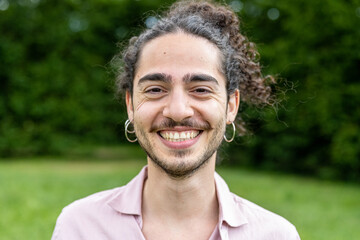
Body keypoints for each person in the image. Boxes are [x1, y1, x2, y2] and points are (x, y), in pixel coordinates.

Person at [52, 0, 300, 239]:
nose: (178, 111)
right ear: (130, 105)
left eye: (201, 89)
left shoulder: (276, 235)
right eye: (156, 90)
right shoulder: (79, 227)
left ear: (231, 106)